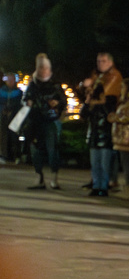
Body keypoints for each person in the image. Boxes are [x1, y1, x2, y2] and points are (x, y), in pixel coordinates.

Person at [81, 52, 123, 197]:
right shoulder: (99, 78)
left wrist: (95, 99)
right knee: (96, 161)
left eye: (104, 61)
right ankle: (97, 184)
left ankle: (103, 186)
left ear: (110, 62)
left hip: (105, 127)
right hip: (95, 127)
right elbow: (85, 109)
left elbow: (110, 101)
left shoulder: (114, 77)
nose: (101, 64)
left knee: (105, 161)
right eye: (99, 61)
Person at [23, 54, 67, 190]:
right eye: (40, 67)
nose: (43, 71)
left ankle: (54, 178)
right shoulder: (32, 84)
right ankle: (39, 177)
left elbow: (63, 101)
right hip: (35, 120)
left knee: (52, 149)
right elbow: (26, 98)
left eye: (45, 68)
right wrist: (28, 102)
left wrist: (57, 104)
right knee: (36, 150)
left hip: (50, 120)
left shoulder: (55, 85)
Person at [108, 77, 129, 200]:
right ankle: (128, 186)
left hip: (127, 137)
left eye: (123, 86)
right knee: (125, 162)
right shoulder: (125, 100)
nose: (121, 89)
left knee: (127, 163)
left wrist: (116, 118)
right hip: (122, 137)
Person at [0, 72, 23, 163]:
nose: (10, 82)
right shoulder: (1, 91)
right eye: (8, 80)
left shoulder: (18, 92)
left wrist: (11, 109)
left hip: (14, 116)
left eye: (12, 80)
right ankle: (4, 155)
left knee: (14, 136)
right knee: (3, 135)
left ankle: (15, 155)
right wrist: (3, 109)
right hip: (3, 115)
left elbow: (18, 104)